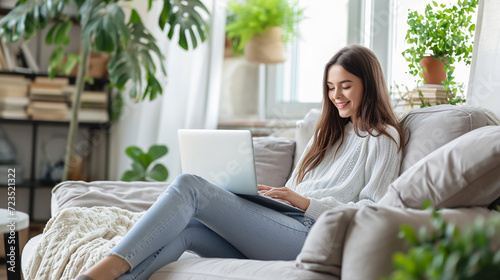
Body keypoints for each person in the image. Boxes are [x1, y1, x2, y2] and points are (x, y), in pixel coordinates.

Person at [76, 44, 404, 280]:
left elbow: (372, 213)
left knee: (189, 186)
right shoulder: (326, 134)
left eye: (346, 86)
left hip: (313, 235)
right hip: (283, 225)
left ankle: (105, 268)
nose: (337, 95)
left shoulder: (382, 138)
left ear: (368, 84)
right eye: (331, 88)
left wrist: (303, 202)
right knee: (187, 230)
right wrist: (268, 198)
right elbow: (291, 192)